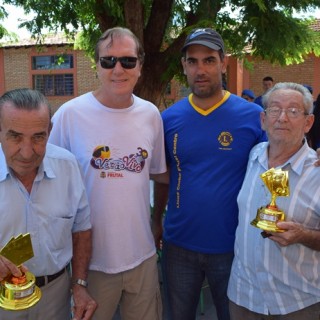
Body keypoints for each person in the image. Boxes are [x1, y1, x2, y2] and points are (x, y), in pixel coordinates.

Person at [49, 27, 167, 320]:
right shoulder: (69, 115)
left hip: (142, 258)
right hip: (89, 265)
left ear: (140, 65)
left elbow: (159, 176)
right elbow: (47, 182)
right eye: (108, 60)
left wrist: (157, 222)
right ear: (97, 65)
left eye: (127, 61)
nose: (118, 69)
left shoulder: (151, 115)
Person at [152, 28, 267, 320]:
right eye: (192, 61)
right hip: (179, 245)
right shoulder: (169, 119)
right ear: (184, 67)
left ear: (222, 62)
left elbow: (275, 168)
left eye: (208, 60)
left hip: (233, 245)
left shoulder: (252, 116)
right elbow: (165, 175)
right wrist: (156, 221)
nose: (200, 69)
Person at [0, 88, 96, 320]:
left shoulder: (67, 166)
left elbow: (81, 230)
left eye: (38, 137)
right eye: (15, 136)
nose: (26, 152)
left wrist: (80, 284)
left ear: (49, 131)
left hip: (56, 297)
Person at [228, 82, 320, 319]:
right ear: (263, 119)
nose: (282, 118)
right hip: (243, 297)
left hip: (296, 304)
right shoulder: (254, 154)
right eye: (275, 110)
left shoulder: (317, 171)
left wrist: (303, 235)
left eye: (293, 111)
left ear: (308, 122)